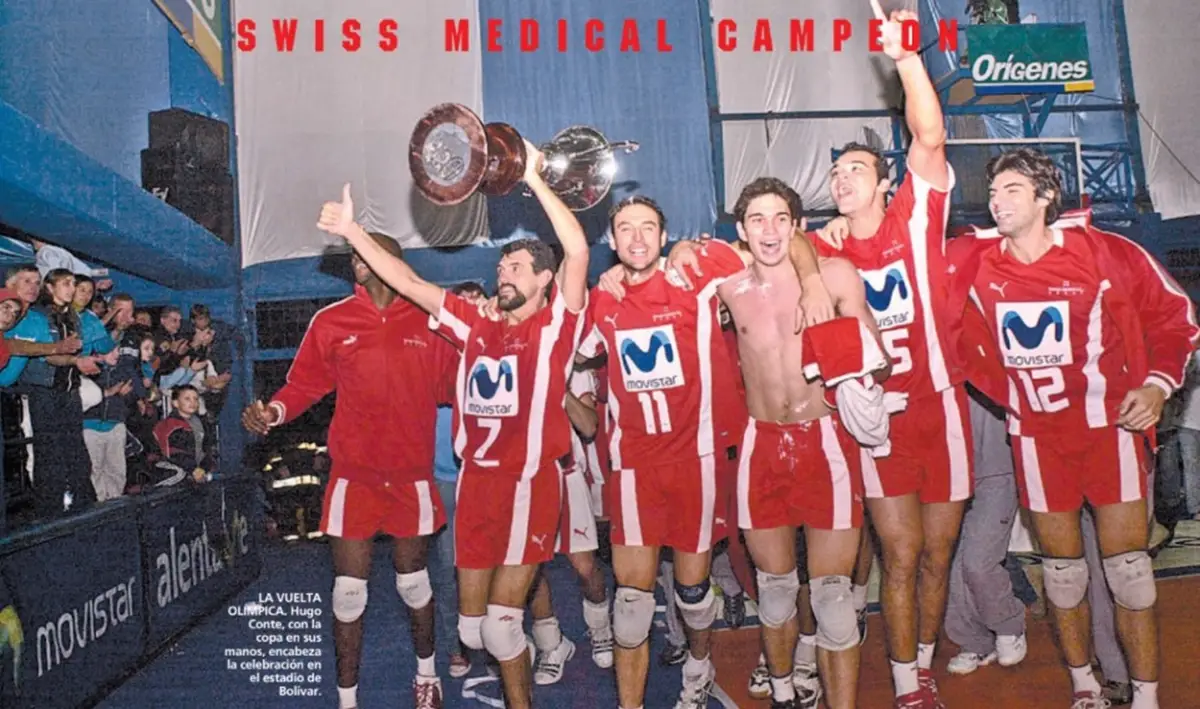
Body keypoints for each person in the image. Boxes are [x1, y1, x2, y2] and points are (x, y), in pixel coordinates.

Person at [315, 138, 589, 709]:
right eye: (501, 264)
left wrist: (535, 180)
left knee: (498, 629)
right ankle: (541, 640)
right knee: (469, 631)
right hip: (476, 484)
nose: (503, 271)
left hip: (529, 483)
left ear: (544, 281)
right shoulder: (473, 325)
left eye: (516, 266)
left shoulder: (555, 329)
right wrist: (354, 233)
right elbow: (410, 283)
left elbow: (577, 249)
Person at [945, 147, 1199, 709]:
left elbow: (1174, 316)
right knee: (1062, 576)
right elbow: (920, 285)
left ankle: (1146, 695)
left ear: (1044, 198)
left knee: (1130, 573)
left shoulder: (1103, 252)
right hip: (1038, 443)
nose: (997, 200)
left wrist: (1157, 384)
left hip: (1109, 434)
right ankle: (1084, 686)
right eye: (993, 191)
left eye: (1012, 189)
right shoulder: (976, 261)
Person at [585, 194, 830, 709]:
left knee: (693, 593)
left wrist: (810, 281)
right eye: (625, 229)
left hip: (695, 463)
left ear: (664, 234)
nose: (636, 239)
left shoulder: (694, 274)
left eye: (647, 228)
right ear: (611, 240)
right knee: (630, 605)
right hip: (632, 469)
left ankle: (699, 667)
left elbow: (780, 242)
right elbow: (573, 356)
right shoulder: (601, 300)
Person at [666, 176, 890, 709]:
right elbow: (676, 264)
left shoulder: (833, 275)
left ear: (797, 226)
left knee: (834, 597)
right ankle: (786, 691)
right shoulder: (729, 285)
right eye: (757, 220)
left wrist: (853, 366)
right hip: (761, 446)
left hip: (827, 445)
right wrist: (680, 249)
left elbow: (876, 359)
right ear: (741, 231)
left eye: (780, 219)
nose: (770, 230)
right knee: (776, 589)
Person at [810, 5, 970, 704]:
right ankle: (907, 684)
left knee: (937, 556)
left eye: (856, 168)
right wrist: (812, 270)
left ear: (883, 181)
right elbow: (777, 234)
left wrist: (906, 55)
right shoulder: (824, 245)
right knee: (899, 555)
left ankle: (924, 657)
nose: (842, 178)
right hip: (879, 419)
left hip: (944, 408)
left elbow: (929, 134)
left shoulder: (915, 217)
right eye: (836, 171)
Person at [241, 232, 459, 709]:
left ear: (394, 261)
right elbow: (303, 385)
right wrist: (275, 412)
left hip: (412, 477)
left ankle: (427, 676)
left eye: (369, 255)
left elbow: (456, 388)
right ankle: (347, 700)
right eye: (356, 257)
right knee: (347, 594)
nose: (359, 263)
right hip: (353, 477)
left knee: (413, 582)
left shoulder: (432, 320)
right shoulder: (332, 321)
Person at [943, 390, 1027, 675]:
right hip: (948, 467)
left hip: (996, 465)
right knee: (951, 563)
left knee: (978, 561)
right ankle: (974, 640)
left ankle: (1008, 623)